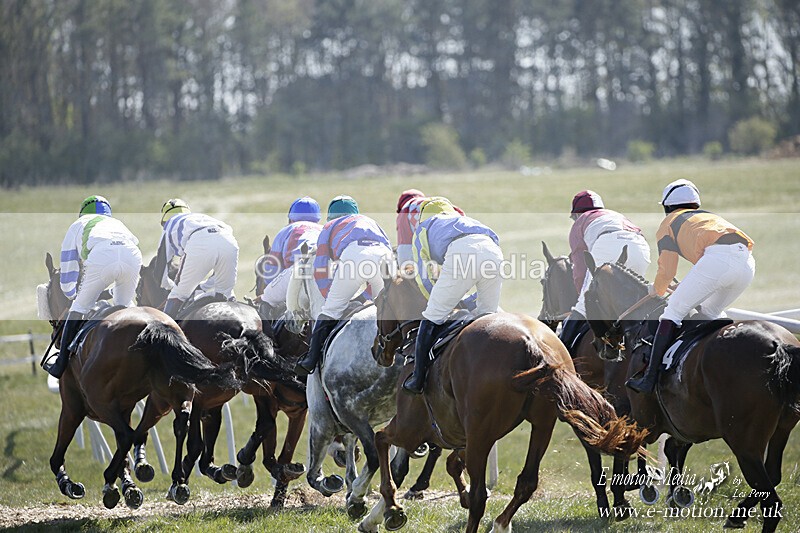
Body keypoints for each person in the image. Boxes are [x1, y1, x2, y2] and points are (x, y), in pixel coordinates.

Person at [626, 179, 755, 394]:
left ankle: (649, 378)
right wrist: (687, 286)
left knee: (673, 312)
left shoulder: (668, 223)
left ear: (667, 207)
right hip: (747, 264)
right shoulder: (709, 217)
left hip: (718, 261)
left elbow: (667, 271)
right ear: (695, 204)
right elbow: (717, 263)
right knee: (710, 312)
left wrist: (657, 289)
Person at [403, 197, 503, 394]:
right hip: (494, 251)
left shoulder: (423, 228)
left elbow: (423, 277)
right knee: (487, 318)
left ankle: (417, 378)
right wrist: (467, 300)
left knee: (433, 314)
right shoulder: (467, 220)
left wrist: (440, 303)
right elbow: (493, 244)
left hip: (462, 253)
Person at [45, 195, 142, 378]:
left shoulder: (78, 225)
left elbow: (68, 268)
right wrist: (109, 292)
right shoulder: (116, 223)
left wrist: (72, 294)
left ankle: (60, 363)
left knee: (78, 307)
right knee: (126, 308)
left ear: (82, 213)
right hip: (133, 255)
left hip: (102, 255)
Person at [294, 196, 393, 376]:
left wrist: (331, 296)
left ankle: (310, 360)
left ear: (331, 216)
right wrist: (365, 298)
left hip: (355, 256)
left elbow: (321, 268)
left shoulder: (329, 227)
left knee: (330, 310)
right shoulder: (370, 221)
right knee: (389, 309)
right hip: (384, 255)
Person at [559, 190, 651, 351]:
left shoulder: (579, 222)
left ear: (576, 214)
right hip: (641, 246)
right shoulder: (613, 215)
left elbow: (580, 269)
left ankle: (563, 352)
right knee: (630, 301)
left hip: (609, 244)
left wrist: (583, 296)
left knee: (582, 306)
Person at [154, 199, 240, 318]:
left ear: (165, 220)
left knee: (178, 294)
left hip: (200, 241)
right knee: (226, 292)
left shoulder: (169, 224)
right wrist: (203, 286)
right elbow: (217, 275)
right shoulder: (200, 217)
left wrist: (173, 287)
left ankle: (164, 333)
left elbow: (161, 269)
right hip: (229, 240)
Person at [257, 197, 323, 318]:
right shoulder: (324, 229)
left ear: (291, 217)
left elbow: (272, 269)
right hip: (324, 273)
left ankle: (265, 335)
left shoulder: (287, 230)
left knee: (266, 299)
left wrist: (268, 288)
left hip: (298, 271)